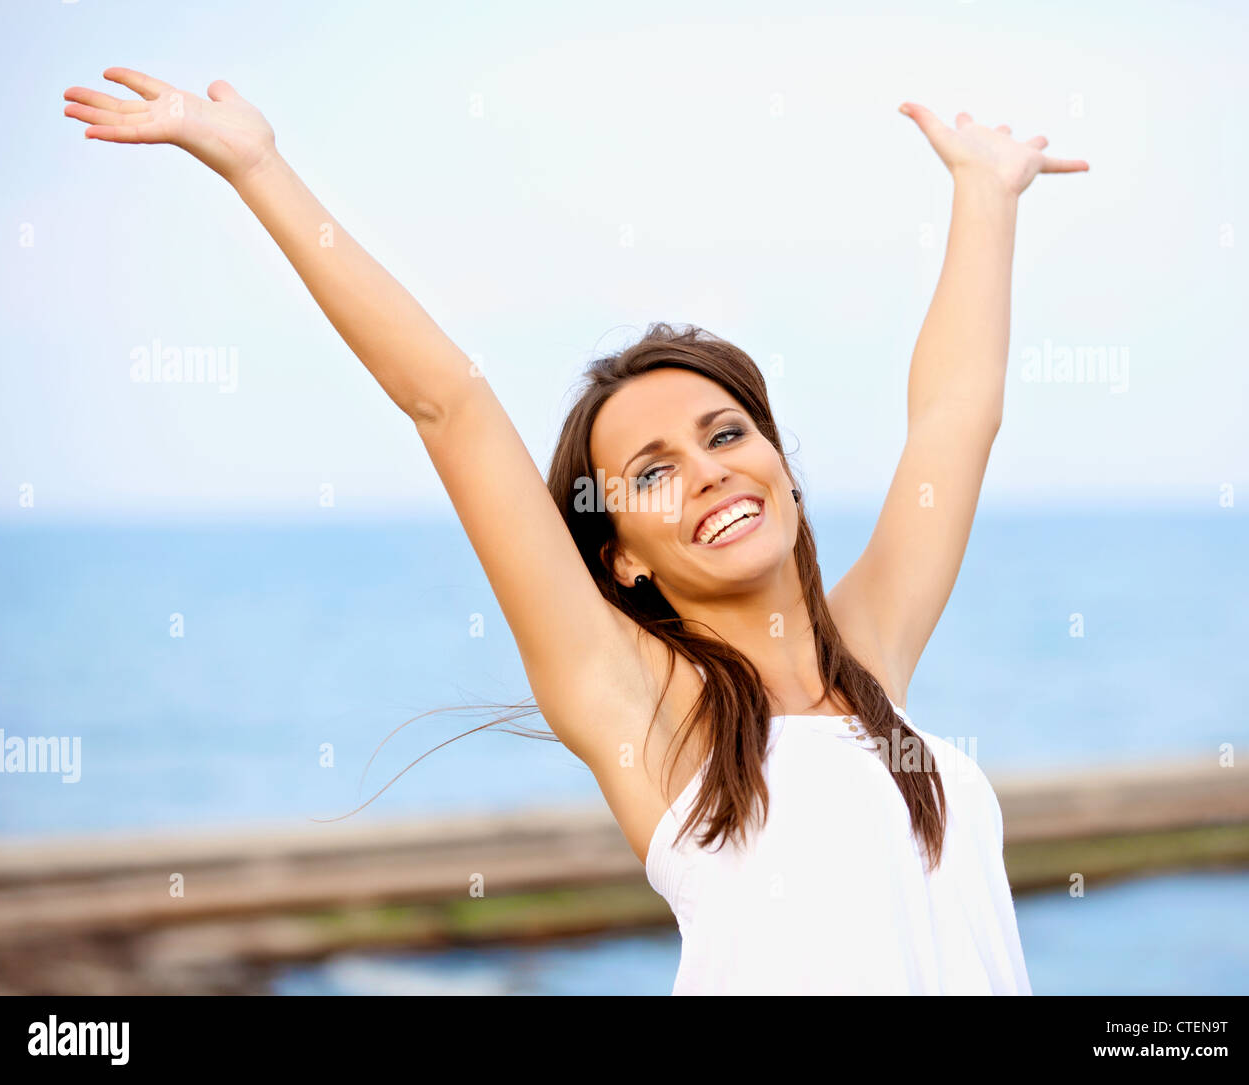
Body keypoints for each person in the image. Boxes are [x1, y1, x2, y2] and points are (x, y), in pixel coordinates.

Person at [63, 71, 1087, 994]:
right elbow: (447, 404)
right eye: (652, 472)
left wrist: (984, 196)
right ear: (621, 555)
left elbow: (955, 417)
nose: (707, 470)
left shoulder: (869, 656)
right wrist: (257, 165)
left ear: (780, 467)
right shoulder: (638, 699)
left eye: (725, 432)